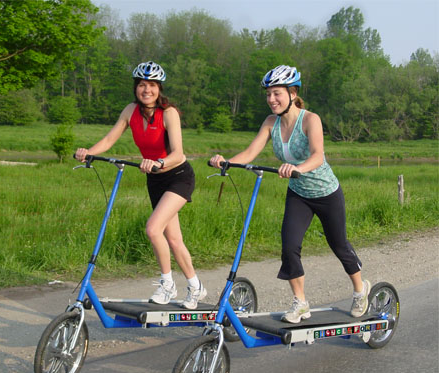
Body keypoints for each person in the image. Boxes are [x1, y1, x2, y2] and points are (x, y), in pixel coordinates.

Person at [209, 65, 370, 323]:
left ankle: (361, 290)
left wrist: (297, 168)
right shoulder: (270, 123)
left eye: (277, 94)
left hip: (326, 193)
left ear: (292, 93)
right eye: (268, 94)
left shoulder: (310, 119)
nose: (271, 99)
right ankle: (300, 303)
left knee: (339, 245)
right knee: (289, 246)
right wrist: (226, 161)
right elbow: (250, 153)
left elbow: (318, 156)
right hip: (299, 194)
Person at [75, 61, 207, 309]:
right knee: (174, 239)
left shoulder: (169, 113)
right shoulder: (130, 111)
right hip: (155, 179)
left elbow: (178, 154)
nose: (147, 90)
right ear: (136, 87)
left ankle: (167, 284)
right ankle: (196, 286)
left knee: (153, 229)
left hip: (178, 176)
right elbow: (109, 139)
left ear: (159, 89)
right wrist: (88, 152)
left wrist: (158, 161)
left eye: (152, 85)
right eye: (142, 85)